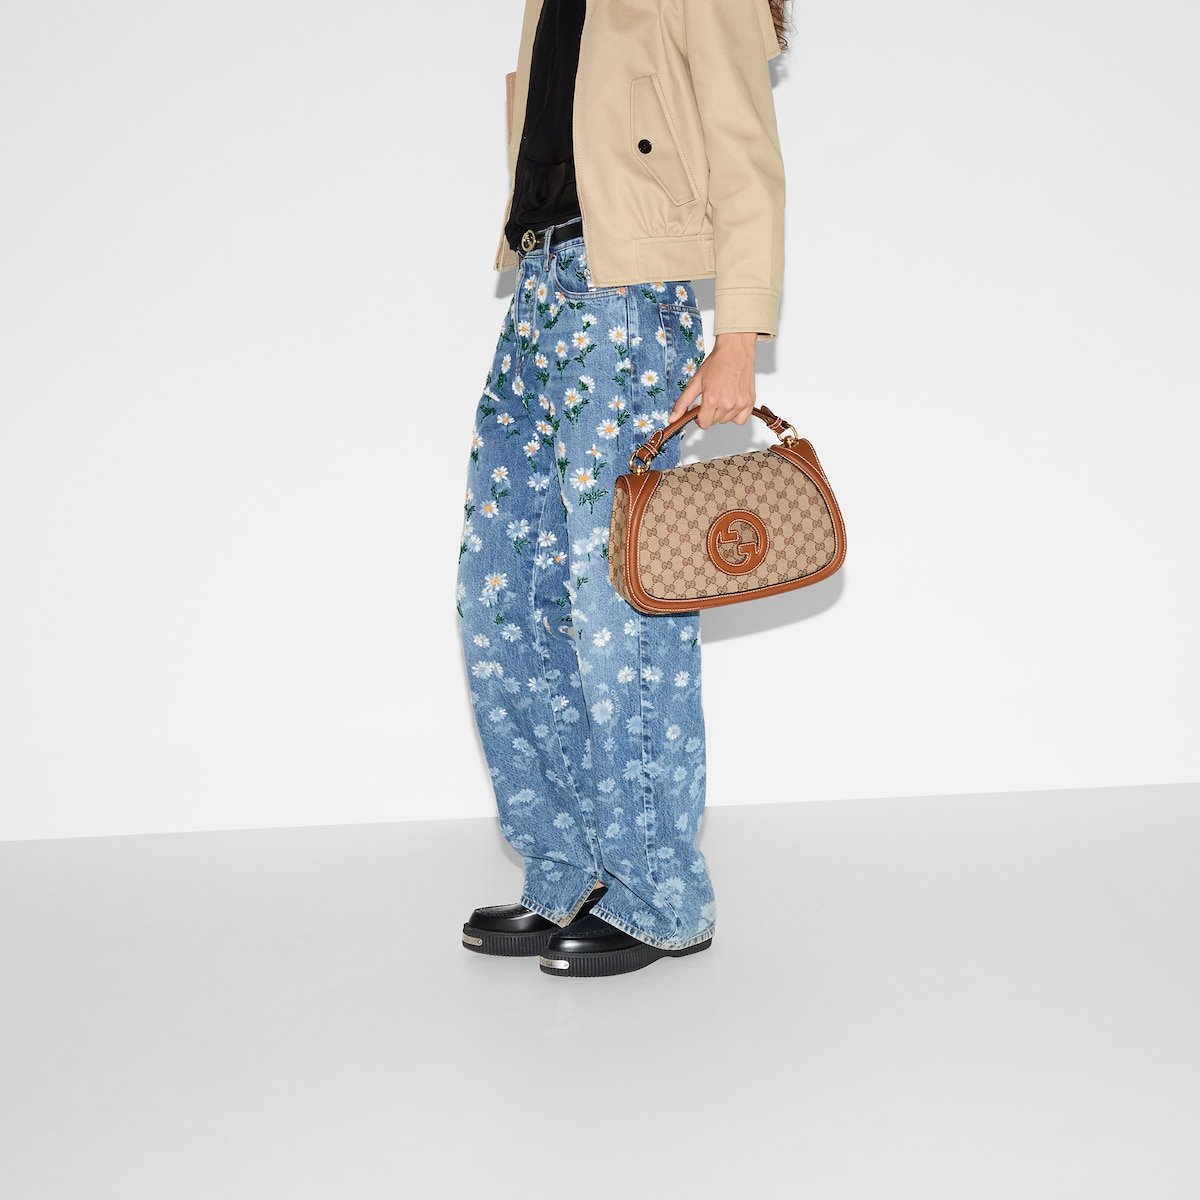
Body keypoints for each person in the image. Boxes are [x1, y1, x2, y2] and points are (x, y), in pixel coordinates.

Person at [455, 0, 790, 978]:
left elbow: (747, 149)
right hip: (541, 288)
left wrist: (739, 337)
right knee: (501, 598)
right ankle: (570, 870)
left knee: (624, 609)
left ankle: (660, 894)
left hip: (626, 302)